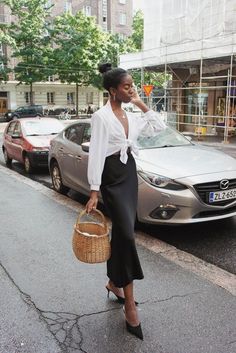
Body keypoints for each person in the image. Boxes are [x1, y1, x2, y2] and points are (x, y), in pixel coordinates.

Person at [85, 63, 166, 340]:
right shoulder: (101, 117)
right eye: (127, 86)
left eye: (132, 85)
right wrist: (94, 190)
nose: (131, 89)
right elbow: (96, 153)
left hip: (128, 173)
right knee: (126, 236)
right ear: (112, 90)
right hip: (110, 177)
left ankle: (113, 282)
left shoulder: (132, 114)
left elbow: (159, 127)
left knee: (122, 235)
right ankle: (129, 304)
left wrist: (140, 102)